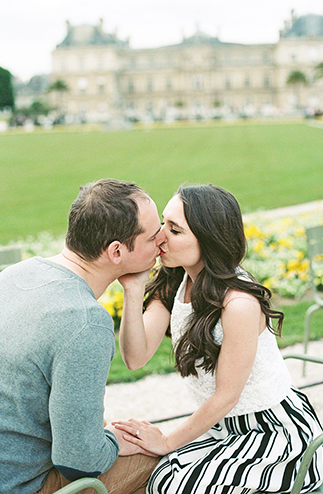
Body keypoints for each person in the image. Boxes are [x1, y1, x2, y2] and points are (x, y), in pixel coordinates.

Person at [113, 184, 323, 494]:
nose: (160, 236)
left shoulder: (238, 304)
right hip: (222, 425)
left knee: (172, 484)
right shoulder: (175, 280)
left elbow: (227, 397)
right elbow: (135, 357)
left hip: (270, 430)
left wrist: (168, 441)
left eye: (174, 230)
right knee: (163, 480)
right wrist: (132, 289)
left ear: (208, 240)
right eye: (162, 223)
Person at [0, 178, 165, 494]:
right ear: (116, 251)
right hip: (19, 484)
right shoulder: (85, 322)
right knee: (155, 462)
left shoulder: (16, 275)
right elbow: (78, 461)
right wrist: (113, 443)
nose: (160, 244)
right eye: (152, 236)